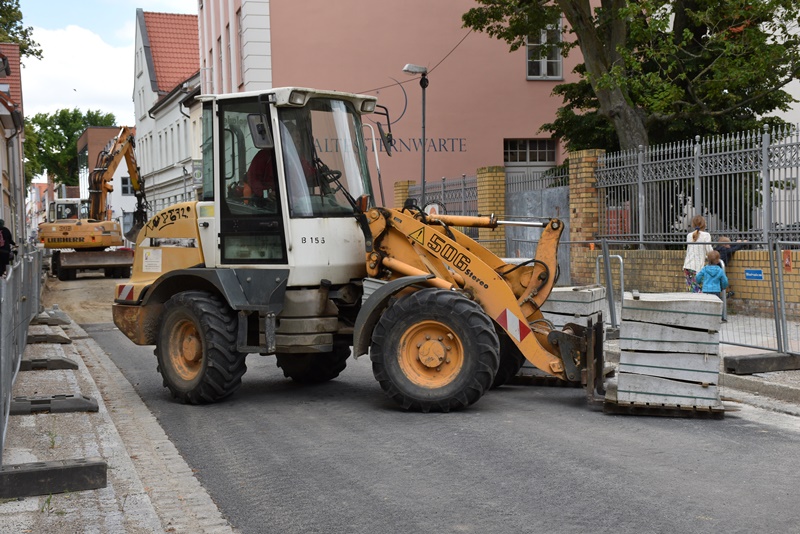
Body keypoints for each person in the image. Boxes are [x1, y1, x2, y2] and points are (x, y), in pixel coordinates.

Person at [683, 215, 713, 293]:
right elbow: (709, 250)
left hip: (687, 266)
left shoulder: (689, 235)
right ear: (704, 224)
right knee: (700, 291)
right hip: (697, 268)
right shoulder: (706, 235)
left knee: (691, 290)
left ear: (693, 224)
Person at [696, 250, 729, 320]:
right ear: (718, 261)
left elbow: (698, 276)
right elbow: (725, 280)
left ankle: (706, 317)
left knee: (706, 304)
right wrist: (723, 286)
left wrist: (700, 282)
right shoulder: (720, 270)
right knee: (716, 304)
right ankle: (716, 317)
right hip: (716, 290)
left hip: (706, 289)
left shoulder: (705, 269)